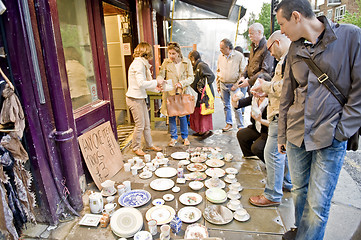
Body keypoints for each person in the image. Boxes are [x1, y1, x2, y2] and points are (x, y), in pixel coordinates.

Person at [275, 0, 361, 239]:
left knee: (317, 205)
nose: (281, 31)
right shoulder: (294, 48)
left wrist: (341, 131)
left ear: (296, 16)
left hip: (330, 135)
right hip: (296, 134)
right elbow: (287, 94)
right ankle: (303, 234)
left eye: (282, 24)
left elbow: (359, 91)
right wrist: (282, 134)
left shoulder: (351, 37)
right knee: (299, 193)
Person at [248, 30, 292, 208]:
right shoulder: (288, 58)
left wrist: (265, 86)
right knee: (283, 152)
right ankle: (286, 183)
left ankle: (272, 194)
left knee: (272, 153)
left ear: (278, 43)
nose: (271, 54)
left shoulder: (290, 58)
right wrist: (266, 89)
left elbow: (285, 87)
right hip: (281, 113)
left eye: (271, 49)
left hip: (280, 114)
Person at [125, 42, 163, 156]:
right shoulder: (138, 64)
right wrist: (157, 82)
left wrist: (156, 88)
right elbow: (141, 83)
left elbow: (143, 84)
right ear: (147, 52)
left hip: (139, 98)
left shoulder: (142, 63)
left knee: (146, 124)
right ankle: (135, 147)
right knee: (140, 125)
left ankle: (149, 144)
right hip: (134, 98)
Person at [157, 42, 194, 147]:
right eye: (169, 53)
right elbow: (160, 75)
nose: (171, 56)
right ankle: (173, 138)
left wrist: (181, 83)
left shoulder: (186, 62)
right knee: (171, 116)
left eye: (173, 53)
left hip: (182, 93)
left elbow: (191, 77)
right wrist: (159, 81)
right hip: (170, 93)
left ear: (178, 53)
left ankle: (185, 137)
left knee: (183, 116)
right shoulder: (166, 63)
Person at [236, 73, 271, 162]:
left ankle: (269, 163)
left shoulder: (271, 101)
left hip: (268, 133)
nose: (256, 91)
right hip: (257, 129)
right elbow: (238, 105)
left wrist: (260, 120)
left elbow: (275, 124)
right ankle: (250, 155)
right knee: (241, 134)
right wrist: (234, 99)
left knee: (257, 148)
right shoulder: (254, 98)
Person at [216, 39, 247, 132]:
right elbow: (218, 71)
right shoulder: (220, 57)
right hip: (223, 84)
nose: (220, 50)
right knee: (226, 105)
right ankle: (229, 123)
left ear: (228, 48)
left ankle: (240, 125)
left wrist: (237, 85)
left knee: (236, 105)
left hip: (234, 85)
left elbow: (243, 72)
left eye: (222, 48)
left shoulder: (238, 56)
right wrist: (218, 84)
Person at [237, 23, 274, 89]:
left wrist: (249, 81)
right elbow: (249, 64)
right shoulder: (253, 47)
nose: (250, 36)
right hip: (252, 85)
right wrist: (243, 76)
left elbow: (265, 70)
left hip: (260, 86)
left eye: (251, 33)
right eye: (249, 34)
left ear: (259, 32)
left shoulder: (267, 47)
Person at [188, 50, 215, 139]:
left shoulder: (201, 65)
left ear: (192, 58)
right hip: (198, 95)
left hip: (204, 94)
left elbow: (211, 76)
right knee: (198, 112)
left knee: (204, 112)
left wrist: (201, 84)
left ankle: (206, 130)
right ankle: (200, 131)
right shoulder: (196, 66)